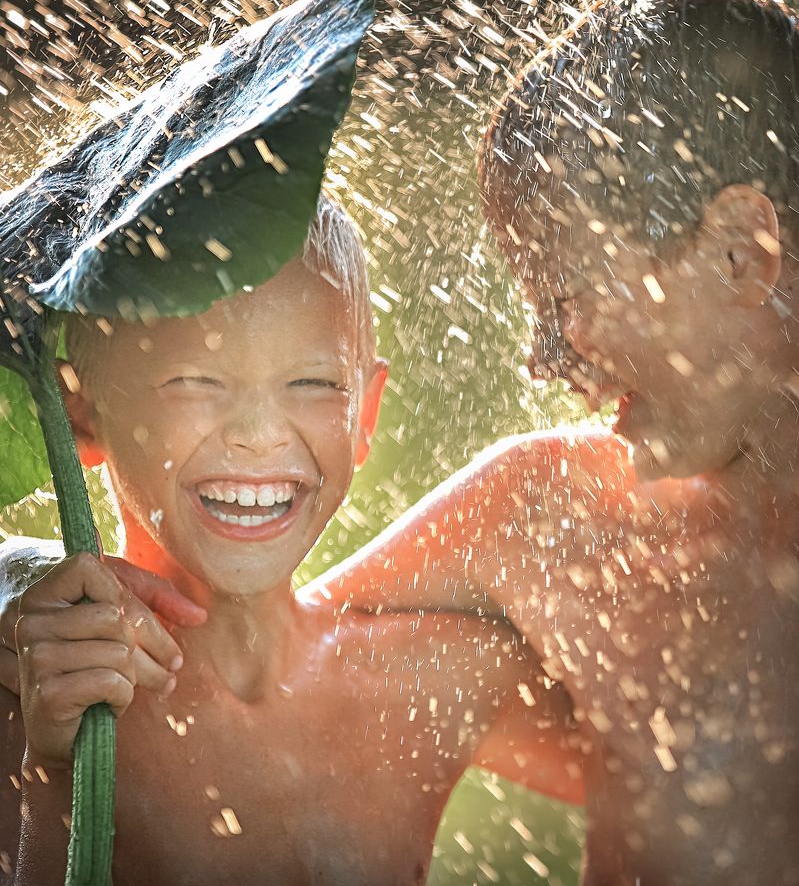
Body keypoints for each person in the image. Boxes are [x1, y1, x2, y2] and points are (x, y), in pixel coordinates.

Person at [303, 0, 799, 885]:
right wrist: (26, 597)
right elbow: (257, 653)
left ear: (740, 253)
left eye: (561, 298)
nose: (538, 362)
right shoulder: (547, 519)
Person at [0, 196, 580, 886]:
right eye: (192, 380)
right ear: (83, 416)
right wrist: (59, 776)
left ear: (363, 413)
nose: (258, 432)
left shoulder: (432, 679)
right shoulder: (38, 702)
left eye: (311, 382)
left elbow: (701, 778)